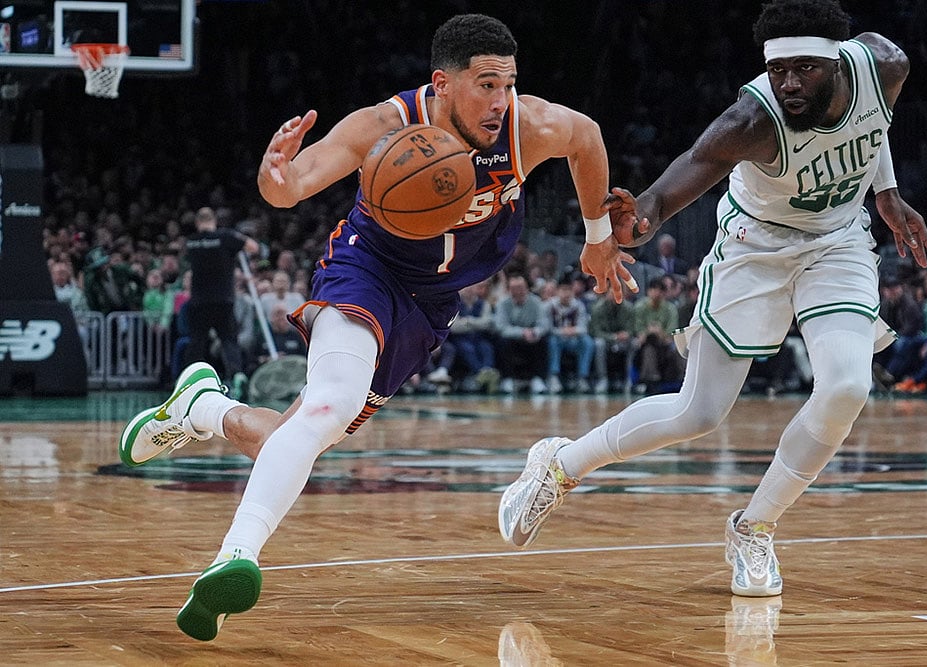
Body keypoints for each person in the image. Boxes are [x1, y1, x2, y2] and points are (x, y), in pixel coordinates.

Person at [117, 13, 637, 641]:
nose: (501, 101)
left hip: (431, 303)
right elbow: (291, 187)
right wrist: (273, 175)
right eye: (485, 85)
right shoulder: (385, 126)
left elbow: (588, 139)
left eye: (508, 84)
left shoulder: (530, 128)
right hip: (366, 269)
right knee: (325, 410)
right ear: (442, 83)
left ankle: (203, 409)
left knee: (299, 436)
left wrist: (598, 237)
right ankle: (235, 560)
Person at [498, 0, 927, 598]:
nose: (789, 85)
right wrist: (641, 219)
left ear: (838, 63)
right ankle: (559, 466)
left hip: (837, 242)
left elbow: (874, 121)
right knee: (699, 413)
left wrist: (885, 192)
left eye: (805, 69)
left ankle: (754, 527)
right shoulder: (751, 121)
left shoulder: (886, 64)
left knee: (846, 388)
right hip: (755, 247)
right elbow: (692, 167)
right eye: (779, 71)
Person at [183, 206, 260, 386]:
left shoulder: (191, 242)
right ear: (214, 221)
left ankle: (188, 380)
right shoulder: (225, 237)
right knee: (228, 340)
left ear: (197, 223)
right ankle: (237, 375)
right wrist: (235, 237)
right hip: (223, 299)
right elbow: (253, 248)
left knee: (197, 342)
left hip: (199, 300)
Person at [494, 273, 552, 394]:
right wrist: (522, 332)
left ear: (526, 288)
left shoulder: (536, 302)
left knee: (543, 341)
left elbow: (544, 324)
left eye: (521, 288)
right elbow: (501, 327)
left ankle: (538, 379)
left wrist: (534, 332)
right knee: (501, 341)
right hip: (512, 338)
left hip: (532, 338)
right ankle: (507, 379)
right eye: (514, 289)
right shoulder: (502, 304)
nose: (518, 291)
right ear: (509, 290)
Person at [544, 275, 596, 393]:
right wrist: (561, 331)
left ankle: (582, 377)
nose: (566, 294)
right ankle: (554, 376)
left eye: (568, 290)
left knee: (587, 342)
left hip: (574, 339)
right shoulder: (549, 306)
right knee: (552, 341)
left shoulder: (578, 306)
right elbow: (547, 327)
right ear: (557, 291)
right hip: (557, 339)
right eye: (563, 290)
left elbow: (583, 327)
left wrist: (573, 331)